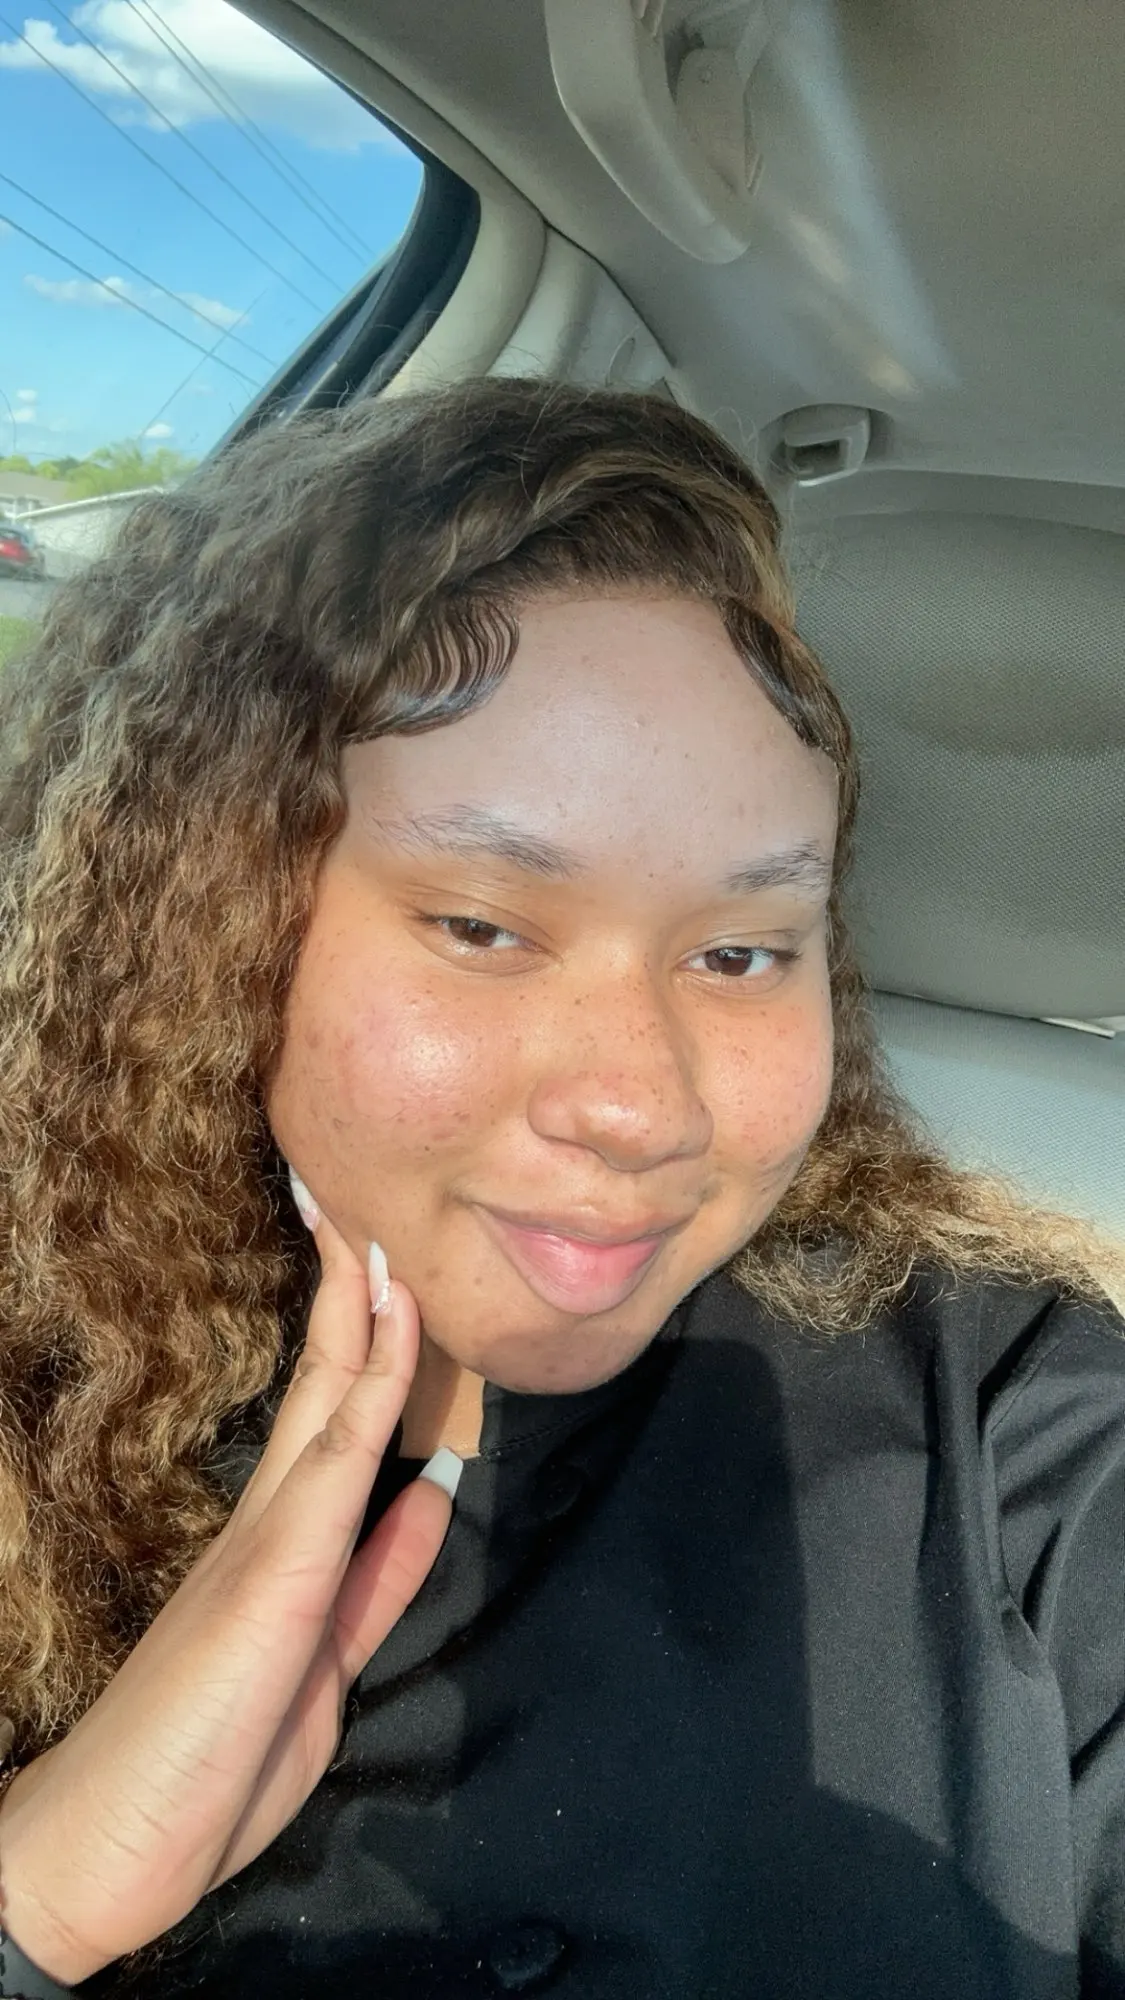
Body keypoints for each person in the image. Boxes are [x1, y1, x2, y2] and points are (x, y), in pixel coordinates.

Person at [0, 380, 1122, 2000]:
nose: (644, 1108)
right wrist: (36, 1903)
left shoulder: (1023, 1424)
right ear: (204, 932)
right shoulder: (36, 1421)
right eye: (482, 927)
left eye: (741, 954)